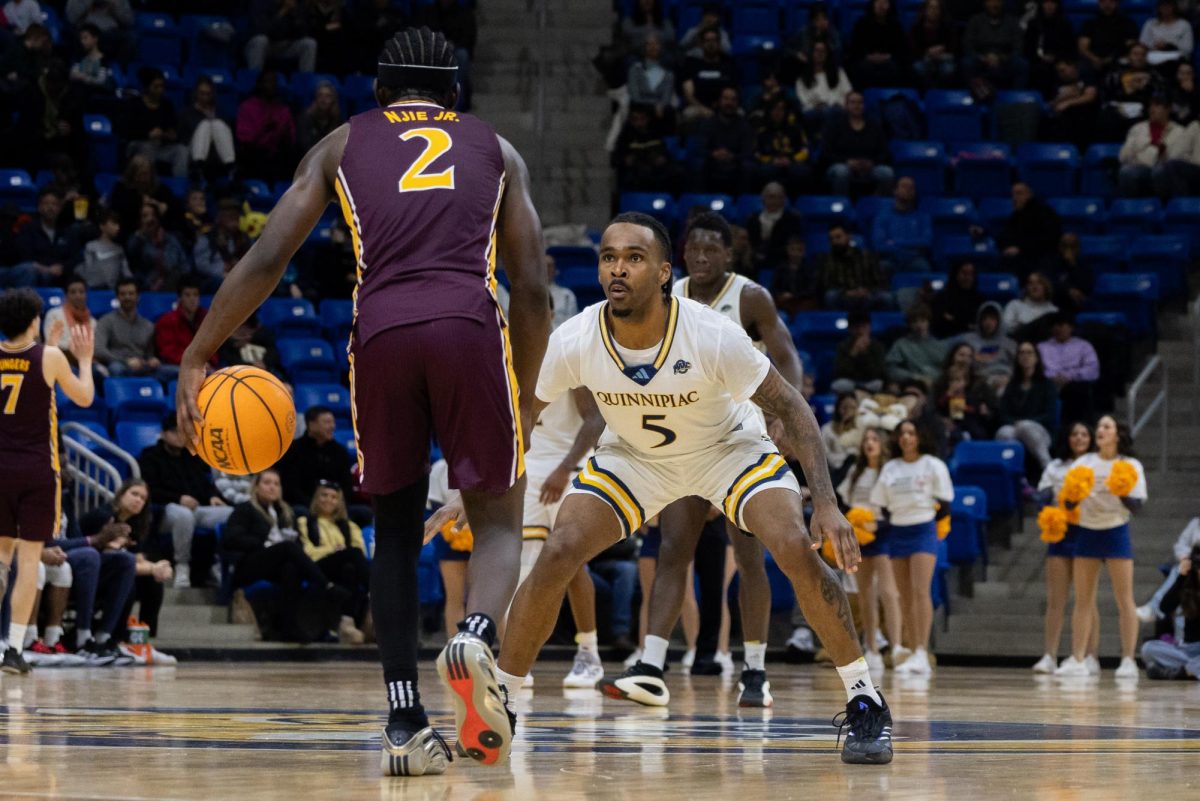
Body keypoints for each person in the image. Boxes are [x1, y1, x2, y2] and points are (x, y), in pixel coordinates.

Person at [175, 28, 550, 776]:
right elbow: (534, 288)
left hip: (380, 331)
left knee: (397, 529)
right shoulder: (496, 149)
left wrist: (198, 350)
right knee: (500, 515)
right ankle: (475, 631)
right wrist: (529, 388)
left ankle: (406, 720)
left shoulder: (342, 144)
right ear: (454, 95)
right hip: (468, 322)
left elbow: (267, 255)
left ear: (380, 93)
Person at [430, 212, 893, 765]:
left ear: (663, 273)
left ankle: (865, 699)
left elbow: (790, 403)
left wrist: (827, 502)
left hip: (728, 450)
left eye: (633, 257)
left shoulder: (711, 332)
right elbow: (523, 414)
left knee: (793, 547)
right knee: (558, 550)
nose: (617, 268)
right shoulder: (576, 338)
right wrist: (475, 488)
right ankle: (499, 697)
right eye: (608, 257)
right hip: (635, 458)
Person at [642, 210, 807, 701]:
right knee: (674, 548)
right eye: (694, 249)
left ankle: (753, 668)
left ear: (729, 255)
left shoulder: (751, 297)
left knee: (749, 556)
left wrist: (783, 417)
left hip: (740, 441)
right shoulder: (670, 297)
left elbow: (790, 359)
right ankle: (651, 664)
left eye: (711, 249)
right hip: (688, 437)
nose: (701, 256)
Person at [0, 288, 94, 673]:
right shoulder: (51, 358)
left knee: (0, 559)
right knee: (27, 561)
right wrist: (84, 361)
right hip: (37, 470)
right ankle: (13, 650)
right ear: (35, 320)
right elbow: (85, 397)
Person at [1056, 415, 1146, 678]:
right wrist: (1073, 496)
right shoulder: (1085, 463)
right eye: (1099, 426)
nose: (1100, 430)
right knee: (1083, 600)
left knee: (1124, 599)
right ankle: (1078, 658)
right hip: (1088, 532)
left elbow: (1138, 506)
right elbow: (1068, 505)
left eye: (1107, 426)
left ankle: (1128, 660)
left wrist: (1121, 492)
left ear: (1117, 434)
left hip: (1116, 532)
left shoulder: (1130, 465)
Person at [223, 469, 351, 642]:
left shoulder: (286, 512)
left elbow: (297, 545)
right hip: (250, 564)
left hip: (277, 563)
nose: (272, 487)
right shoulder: (245, 509)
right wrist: (263, 542)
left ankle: (288, 627)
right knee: (287, 548)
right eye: (267, 483)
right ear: (256, 487)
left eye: (276, 484)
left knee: (291, 569)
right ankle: (327, 586)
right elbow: (231, 539)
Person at [870, 420, 953, 675]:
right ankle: (909, 648)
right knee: (903, 595)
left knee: (920, 591)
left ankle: (921, 650)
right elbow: (879, 503)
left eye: (911, 432)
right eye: (902, 433)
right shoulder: (891, 467)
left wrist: (926, 519)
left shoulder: (932, 464)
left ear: (920, 437)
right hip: (898, 530)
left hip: (923, 530)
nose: (906, 437)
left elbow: (946, 502)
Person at [1032, 422, 1100, 674]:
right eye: (1074, 433)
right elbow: (1043, 495)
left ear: (1091, 438)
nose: (1079, 438)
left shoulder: (1097, 464)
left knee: (1087, 599)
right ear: (1068, 438)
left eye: (1084, 434)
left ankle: (1089, 656)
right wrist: (1037, 498)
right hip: (1060, 532)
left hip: (1088, 530)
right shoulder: (1055, 466)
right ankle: (1049, 655)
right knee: (1056, 600)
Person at [73, 479, 163, 664]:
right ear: (121, 495)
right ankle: (105, 637)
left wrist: (156, 567)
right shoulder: (102, 517)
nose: (138, 500)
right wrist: (153, 568)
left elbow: (135, 557)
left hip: (110, 569)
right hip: (85, 569)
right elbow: (106, 553)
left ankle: (141, 638)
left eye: (143, 498)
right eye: (134, 494)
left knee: (153, 583)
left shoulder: (136, 524)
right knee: (129, 580)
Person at [840, 428, 902, 672]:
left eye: (875, 439)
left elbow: (894, 506)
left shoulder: (889, 471)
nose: (869, 443)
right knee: (864, 592)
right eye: (866, 439)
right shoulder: (855, 473)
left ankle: (897, 647)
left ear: (883, 444)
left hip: (884, 533)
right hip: (860, 536)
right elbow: (845, 501)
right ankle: (872, 647)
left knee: (888, 591)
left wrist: (879, 524)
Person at [298, 480, 370, 644]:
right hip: (317, 568)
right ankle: (376, 594)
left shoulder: (350, 526)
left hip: (343, 568)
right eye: (324, 495)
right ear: (317, 498)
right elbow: (308, 553)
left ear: (339, 502)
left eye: (333, 497)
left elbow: (361, 555)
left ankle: (345, 621)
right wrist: (335, 552)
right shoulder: (305, 522)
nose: (328, 500)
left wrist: (342, 553)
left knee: (350, 568)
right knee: (351, 555)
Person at [1118, 96, 1200, 198]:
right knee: (1126, 172)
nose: (1152, 109)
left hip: (1164, 172)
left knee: (1161, 171)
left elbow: (1176, 158)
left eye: (1157, 105)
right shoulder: (1137, 129)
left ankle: (1162, 208)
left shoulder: (1179, 131)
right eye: (1151, 105)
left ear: (1168, 109)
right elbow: (1123, 156)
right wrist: (1151, 146)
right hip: (1140, 168)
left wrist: (1156, 153)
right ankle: (1131, 210)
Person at [275, 405, 355, 509]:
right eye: (327, 422)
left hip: (334, 506)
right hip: (303, 505)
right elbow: (290, 487)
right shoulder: (293, 450)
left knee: (363, 512)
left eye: (333, 422)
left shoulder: (340, 451)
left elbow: (347, 486)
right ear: (311, 425)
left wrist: (335, 505)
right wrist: (313, 506)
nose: (332, 426)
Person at [995, 341, 1059, 469]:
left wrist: (1025, 422)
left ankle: (1047, 466)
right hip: (1015, 428)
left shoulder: (1047, 385)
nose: (1025, 356)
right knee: (1004, 432)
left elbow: (1050, 415)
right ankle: (1013, 473)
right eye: (1021, 353)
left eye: (1029, 352)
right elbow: (1003, 413)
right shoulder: (1012, 385)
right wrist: (1015, 423)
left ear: (1036, 358)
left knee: (1026, 426)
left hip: (1041, 430)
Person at [1137, 517, 1200, 640]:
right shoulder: (1196, 522)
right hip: (1190, 569)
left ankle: (1153, 608)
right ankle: (1154, 609)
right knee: (1179, 570)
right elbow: (1180, 545)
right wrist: (1188, 560)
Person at [821, 92, 893, 197]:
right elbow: (827, 152)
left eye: (860, 102)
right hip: (842, 165)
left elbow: (884, 152)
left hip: (870, 166)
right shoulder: (835, 125)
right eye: (853, 102)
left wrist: (872, 163)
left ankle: (880, 204)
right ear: (846, 105)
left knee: (887, 173)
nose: (857, 105)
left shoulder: (874, 126)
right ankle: (841, 204)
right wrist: (847, 162)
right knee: (842, 172)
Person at [123, 67, 188, 178]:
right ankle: (150, 184)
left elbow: (172, 128)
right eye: (156, 87)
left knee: (182, 151)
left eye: (162, 86)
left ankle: (179, 185)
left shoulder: (167, 104)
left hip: (162, 146)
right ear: (147, 87)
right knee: (147, 147)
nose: (160, 90)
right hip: (139, 145)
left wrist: (169, 135)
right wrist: (148, 134)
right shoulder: (134, 104)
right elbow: (126, 130)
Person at [9, 187, 78, 289]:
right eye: (46, 203)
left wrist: (62, 267)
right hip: (36, 272)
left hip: (60, 274)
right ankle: (26, 303)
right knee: (28, 270)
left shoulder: (67, 231)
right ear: (39, 207)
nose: (50, 207)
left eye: (54, 204)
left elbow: (74, 257)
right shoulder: (28, 228)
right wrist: (46, 269)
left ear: (60, 208)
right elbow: (25, 257)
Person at [94, 279, 164, 379]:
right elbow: (99, 350)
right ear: (117, 297)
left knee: (173, 372)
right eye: (123, 294)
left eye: (131, 293)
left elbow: (149, 354)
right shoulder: (106, 321)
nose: (127, 297)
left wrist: (152, 360)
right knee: (116, 369)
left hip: (143, 366)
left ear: (138, 297)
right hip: (119, 364)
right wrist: (125, 361)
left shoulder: (148, 325)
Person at [236, 70, 297, 183]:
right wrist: (264, 130)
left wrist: (283, 133)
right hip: (254, 156)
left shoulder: (283, 110)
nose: (271, 85)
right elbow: (244, 138)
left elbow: (291, 139)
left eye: (274, 82)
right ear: (259, 84)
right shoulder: (247, 107)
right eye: (267, 82)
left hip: (277, 156)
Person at [1038, 313, 1099, 425]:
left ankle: (1077, 428)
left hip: (1074, 384)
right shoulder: (1042, 347)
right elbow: (1036, 368)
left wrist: (1070, 376)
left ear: (1071, 327)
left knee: (1078, 390)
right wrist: (1053, 377)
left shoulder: (1084, 345)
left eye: (1061, 325)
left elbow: (1092, 370)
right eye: (1054, 325)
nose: (1057, 328)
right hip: (1048, 384)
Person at [932, 342, 996, 443]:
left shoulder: (980, 383)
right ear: (953, 356)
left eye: (969, 356)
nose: (965, 360)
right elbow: (933, 408)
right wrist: (943, 420)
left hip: (973, 424)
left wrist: (985, 411)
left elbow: (990, 408)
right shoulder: (940, 382)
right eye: (961, 355)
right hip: (948, 424)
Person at [818, 223, 891, 310]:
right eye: (831, 239)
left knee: (887, 297)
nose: (835, 242)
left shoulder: (866, 256)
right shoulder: (827, 260)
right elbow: (825, 284)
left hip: (866, 295)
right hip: (843, 296)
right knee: (830, 296)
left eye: (838, 237)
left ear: (849, 236)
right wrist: (846, 292)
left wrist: (866, 291)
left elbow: (879, 281)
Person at [998, 182, 1062, 278]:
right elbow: (1004, 235)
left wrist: (1021, 248)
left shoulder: (1044, 213)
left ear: (1029, 194)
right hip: (1021, 260)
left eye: (1019, 193)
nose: (1015, 198)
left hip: (1042, 258)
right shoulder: (1015, 216)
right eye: (1013, 194)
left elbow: (1049, 238)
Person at [963, 0, 1028, 94]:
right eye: (991, 1)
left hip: (1005, 60)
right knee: (967, 63)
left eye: (997, 1)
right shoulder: (975, 20)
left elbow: (1018, 47)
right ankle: (971, 97)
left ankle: (1016, 99)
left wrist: (1001, 58)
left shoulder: (1012, 22)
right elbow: (968, 45)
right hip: (981, 60)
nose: (994, 4)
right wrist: (982, 58)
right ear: (985, 3)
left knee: (1022, 64)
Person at [678, 27, 738, 127]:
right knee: (688, 114)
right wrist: (703, 109)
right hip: (698, 108)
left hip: (725, 106)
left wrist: (721, 108)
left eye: (714, 40)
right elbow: (688, 95)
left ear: (719, 43)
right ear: (701, 44)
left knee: (740, 113)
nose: (711, 44)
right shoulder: (692, 65)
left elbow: (733, 91)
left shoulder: (729, 66)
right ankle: (692, 143)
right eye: (707, 40)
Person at [751, 97, 811, 197]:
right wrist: (772, 160)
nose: (777, 112)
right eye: (774, 109)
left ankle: (799, 204)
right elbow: (757, 154)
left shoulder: (796, 129)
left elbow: (805, 150)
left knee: (801, 172)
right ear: (769, 112)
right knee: (764, 171)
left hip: (793, 162)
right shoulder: (762, 132)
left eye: (781, 109)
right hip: (770, 163)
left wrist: (791, 159)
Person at [179, 77, 236, 182]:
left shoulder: (220, 113)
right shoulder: (187, 114)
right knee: (205, 124)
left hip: (217, 153)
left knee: (217, 124)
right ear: (196, 93)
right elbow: (183, 138)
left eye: (208, 94)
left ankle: (231, 165)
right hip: (193, 152)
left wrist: (212, 119)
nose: (205, 97)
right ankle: (198, 166)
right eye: (202, 93)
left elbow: (228, 133)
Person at [872, 176, 933, 273]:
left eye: (911, 188)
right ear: (895, 191)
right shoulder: (882, 216)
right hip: (890, 260)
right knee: (880, 267)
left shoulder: (923, 217)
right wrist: (909, 246)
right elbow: (879, 245)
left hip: (914, 260)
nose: (908, 190)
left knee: (924, 267)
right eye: (904, 186)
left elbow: (926, 242)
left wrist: (895, 242)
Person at [699, 86, 753, 195]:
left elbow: (748, 151)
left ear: (738, 103)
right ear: (719, 101)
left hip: (735, 164)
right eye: (726, 99)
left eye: (733, 100)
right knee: (698, 164)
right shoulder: (707, 124)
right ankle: (701, 203)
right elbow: (700, 148)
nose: (729, 103)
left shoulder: (745, 126)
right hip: (712, 163)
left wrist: (732, 156)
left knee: (748, 166)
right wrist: (714, 154)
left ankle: (742, 205)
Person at [846, 0, 910, 89]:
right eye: (878, 2)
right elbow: (855, 47)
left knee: (898, 68)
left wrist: (888, 57)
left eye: (885, 3)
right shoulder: (862, 24)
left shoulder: (895, 26)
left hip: (889, 61)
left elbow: (901, 49)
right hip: (866, 60)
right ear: (873, 4)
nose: (881, 6)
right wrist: (868, 56)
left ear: (889, 6)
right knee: (860, 68)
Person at [794, 41, 852, 137]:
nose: (820, 53)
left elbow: (848, 92)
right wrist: (817, 106)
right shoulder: (801, 80)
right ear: (811, 53)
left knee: (832, 112)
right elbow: (804, 102)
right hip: (814, 112)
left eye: (823, 51)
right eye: (817, 50)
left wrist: (841, 105)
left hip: (838, 110)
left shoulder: (839, 72)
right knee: (824, 113)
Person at [127, 204, 190, 293]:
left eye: (153, 215)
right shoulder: (137, 240)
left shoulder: (171, 239)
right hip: (147, 285)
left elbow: (184, 264)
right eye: (145, 216)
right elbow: (132, 256)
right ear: (140, 220)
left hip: (174, 281)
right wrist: (142, 234)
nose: (150, 219)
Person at [193, 198, 252, 289]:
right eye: (229, 216)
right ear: (219, 217)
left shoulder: (243, 238)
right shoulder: (207, 237)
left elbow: (252, 261)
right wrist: (222, 271)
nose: (234, 219)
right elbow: (201, 265)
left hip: (239, 276)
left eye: (236, 215)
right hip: (215, 278)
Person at [245, 0, 318, 73]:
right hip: (266, 45)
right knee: (260, 40)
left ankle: (306, 79)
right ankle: (254, 78)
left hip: (286, 45)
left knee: (309, 43)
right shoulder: (261, 3)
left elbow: (303, 33)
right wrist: (282, 12)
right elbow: (263, 29)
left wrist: (295, 15)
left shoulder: (295, 5)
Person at [745, 182, 803, 274]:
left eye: (779, 197)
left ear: (784, 200)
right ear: (763, 198)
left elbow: (793, 244)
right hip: (754, 263)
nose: (775, 201)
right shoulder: (752, 219)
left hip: (782, 264)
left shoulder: (793, 219)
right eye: (771, 197)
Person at [886, 303, 948, 388]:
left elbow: (948, 369)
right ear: (909, 324)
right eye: (914, 322)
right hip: (913, 385)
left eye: (922, 320)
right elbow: (891, 370)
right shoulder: (901, 344)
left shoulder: (940, 346)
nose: (919, 325)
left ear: (928, 322)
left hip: (938, 386)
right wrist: (915, 377)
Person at [958, 301, 1017, 389]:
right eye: (984, 318)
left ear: (999, 321)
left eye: (992, 318)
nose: (988, 322)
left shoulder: (1009, 343)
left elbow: (1019, 366)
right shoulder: (969, 340)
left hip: (1005, 381)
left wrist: (1010, 378)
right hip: (978, 381)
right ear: (979, 320)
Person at [155, 277, 210, 370]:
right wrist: (194, 363)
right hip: (176, 366)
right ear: (180, 298)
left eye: (195, 295)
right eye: (187, 295)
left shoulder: (206, 318)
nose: (192, 299)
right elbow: (168, 352)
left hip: (202, 366)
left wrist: (206, 362)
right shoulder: (167, 320)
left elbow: (211, 346)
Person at [1024, 0, 1076, 96]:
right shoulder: (1033, 24)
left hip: (1060, 60)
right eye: (1046, 3)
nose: (1049, 6)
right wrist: (1041, 57)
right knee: (1038, 70)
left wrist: (1057, 58)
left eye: (1053, 3)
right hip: (1037, 60)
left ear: (1057, 5)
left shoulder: (1065, 24)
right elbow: (1027, 48)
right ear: (1042, 5)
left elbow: (1071, 48)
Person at [627, 34, 675, 132]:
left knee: (669, 110)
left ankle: (667, 143)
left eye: (656, 43)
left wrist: (660, 105)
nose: (653, 47)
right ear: (644, 48)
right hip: (641, 105)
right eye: (649, 44)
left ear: (661, 47)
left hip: (661, 109)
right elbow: (635, 96)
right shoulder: (635, 69)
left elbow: (666, 97)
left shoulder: (668, 73)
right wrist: (655, 105)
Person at [1078, 0, 1139, 76]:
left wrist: (1111, 59)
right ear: (1099, 4)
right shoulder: (1090, 24)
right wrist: (1095, 59)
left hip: (1118, 58)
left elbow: (1131, 45)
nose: (1107, 5)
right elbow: (1083, 48)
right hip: (1094, 59)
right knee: (1083, 65)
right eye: (1103, 2)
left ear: (1117, 3)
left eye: (1111, 1)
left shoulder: (1128, 23)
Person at [41, 276, 96, 361]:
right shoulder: (54, 314)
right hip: (60, 360)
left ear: (86, 295)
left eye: (81, 292)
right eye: (73, 292)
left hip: (85, 361)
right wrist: (78, 349)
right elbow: (50, 342)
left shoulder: (92, 322)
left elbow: (95, 347)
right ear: (66, 295)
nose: (78, 296)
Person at [833, 308, 887, 393]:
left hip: (870, 383)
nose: (860, 331)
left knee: (879, 383)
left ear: (869, 327)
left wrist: (866, 353)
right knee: (838, 385)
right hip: (850, 383)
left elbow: (879, 373)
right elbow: (840, 372)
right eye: (857, 327)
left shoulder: (877, 346)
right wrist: (853, 353)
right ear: (850, 328)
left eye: (864, 326)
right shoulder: (843, 346)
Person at [910, 0, 958, 89]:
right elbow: (913, 49)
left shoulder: (947, 26)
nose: (933, 10)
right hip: (924, 58)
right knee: (918, 68)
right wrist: (928, 51)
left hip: (944, 58)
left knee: (948, 69)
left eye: (936, 8)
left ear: (940, 11)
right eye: (931, 7)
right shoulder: (916, 27)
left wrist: (942, 49)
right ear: (925, 10)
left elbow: (954, 47)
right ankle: (927, 94)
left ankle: (940, 93)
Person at [79, 210, 131, 290]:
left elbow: (126, 273)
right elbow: (87, 271)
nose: (117, 227)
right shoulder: (91, 246)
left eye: (118, 224)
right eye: (114, 223)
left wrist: (132, 284)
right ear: (102, 226)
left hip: (113, 293)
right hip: (94, 291)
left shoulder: (119, 249)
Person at [932, 261, 984, 339]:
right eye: (964, 273)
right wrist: (966, 325)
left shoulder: (980, 299)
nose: (968, 278)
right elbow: (942, 323)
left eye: (971, 274)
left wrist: (955, 321)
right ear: (955, 274)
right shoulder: (943, 298)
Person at [822, 393, 863, 485]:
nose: (848, 411)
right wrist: (843, 461)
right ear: (838, 408)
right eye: (845, 407)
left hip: (856, 470)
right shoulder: (827, 429)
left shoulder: (861, 428)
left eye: (852, 408)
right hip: (835, 470)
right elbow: (825, 454)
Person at [1003, 272, 1059, 338]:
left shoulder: (1053, 310)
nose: (1035, 286)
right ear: (1027, 287)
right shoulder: (1014, 305)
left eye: (1039, 283)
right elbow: (1005, 328)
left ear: (1046, 286)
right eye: (1031, 283)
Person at [299, 80, 344, 154]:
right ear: (315, 99)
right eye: (320, 95)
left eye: (328, 96)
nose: (323, 100)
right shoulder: (305, 118)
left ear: (333, 100)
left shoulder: (338, 119)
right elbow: (304, 146)